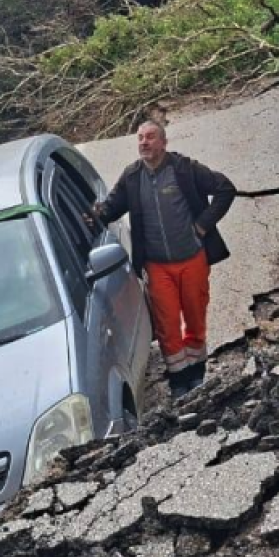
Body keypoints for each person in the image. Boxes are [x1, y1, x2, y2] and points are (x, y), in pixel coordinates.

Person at [90, 120, 236, 396]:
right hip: (157, 266)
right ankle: (179, 381)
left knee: (194, 318)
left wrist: (202, 226)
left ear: (164, 142)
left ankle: (198, 374)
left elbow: (225, 189)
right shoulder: (132, 177)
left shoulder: (184, 169)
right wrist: (91, 215)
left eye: (150, 137)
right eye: (140, 138)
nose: (144, 142)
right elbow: (110, 209)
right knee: (167, 325)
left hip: (192, 259)